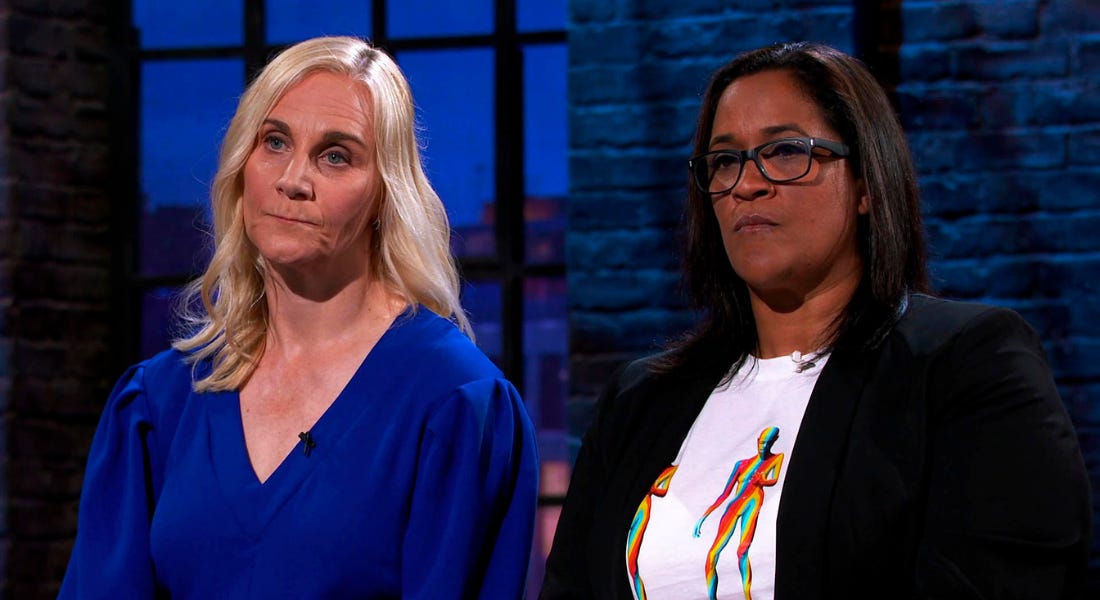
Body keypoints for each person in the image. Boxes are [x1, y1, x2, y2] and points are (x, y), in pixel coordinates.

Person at [541, 41, 1090, 599]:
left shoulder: (966, 365)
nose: (747, 184)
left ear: (865, 185)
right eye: (725, 160)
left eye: (784, 151)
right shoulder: (641, 400)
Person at [61, 36, 538, 598]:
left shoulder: (455, 401)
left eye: (335, 155)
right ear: (242, 169)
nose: (292, 180)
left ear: (386, 196)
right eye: (275, 142)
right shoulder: (160, 402)